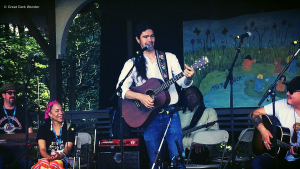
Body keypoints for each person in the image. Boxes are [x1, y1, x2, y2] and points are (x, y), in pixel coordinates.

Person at [116, 21, 194, 168]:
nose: (149, 40)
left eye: (152, 36)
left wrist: (189, 77)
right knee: (154, 158)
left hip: (171, 114)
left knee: (177, 156)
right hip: (148, 116)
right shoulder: (132, 63)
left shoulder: (169, 58)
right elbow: (121, 90)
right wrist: (141, 97)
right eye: (145, 37)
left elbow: (182, 83)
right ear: (138, 40)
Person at [250, 76, 300, 169]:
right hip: (278, 158)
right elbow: (254, 113)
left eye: (291, 91)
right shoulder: (282, 104)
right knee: (257, 163)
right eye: (288, 90)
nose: (287, 93)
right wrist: (263, 130)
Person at [179, 86, 219, 164]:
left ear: (199, 95)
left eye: (192, 93)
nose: (190, 95)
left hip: (200, 148)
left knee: (199, 152)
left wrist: (201, 141)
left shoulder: (209, 111)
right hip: (181, 150)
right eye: (188, 94)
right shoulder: (179, 113)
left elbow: (214, 131)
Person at [31, 100, 76, 169]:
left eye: (62, 110)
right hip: (47, 158)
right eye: (57, 111)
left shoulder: (70, 127)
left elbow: (68, 147)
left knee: (54, 164)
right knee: (44, 163)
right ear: (50, 114)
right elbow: (42, 149)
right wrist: (49, 158)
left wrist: (59, 156)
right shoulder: (43, 128)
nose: (61, 113)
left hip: (65, 158)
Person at [0, 82, 34, 169]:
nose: (13, 95)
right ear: (3, 95)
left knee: (28, 162)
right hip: (1, 146)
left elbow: (30, 131)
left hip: (20, 146)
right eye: (9, 93)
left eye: (14, 93)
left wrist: (28, 147)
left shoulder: (23, 111)